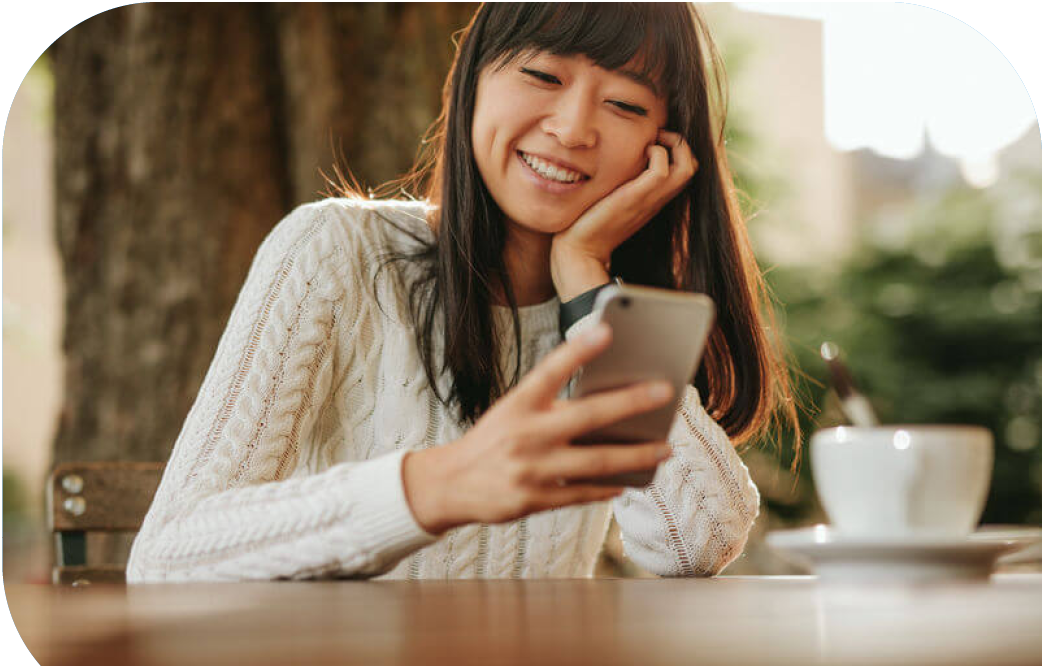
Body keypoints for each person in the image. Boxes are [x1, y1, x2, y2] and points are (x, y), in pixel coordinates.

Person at [127, 3, 798, 583]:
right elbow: (167, 554)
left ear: (663, 148)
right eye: (543, 74)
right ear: (472, 81)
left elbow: (700, 540)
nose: (572, 128)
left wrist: (587, 281)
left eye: (624, 103)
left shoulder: (615, 321)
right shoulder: (333, 251)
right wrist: (434, 489)